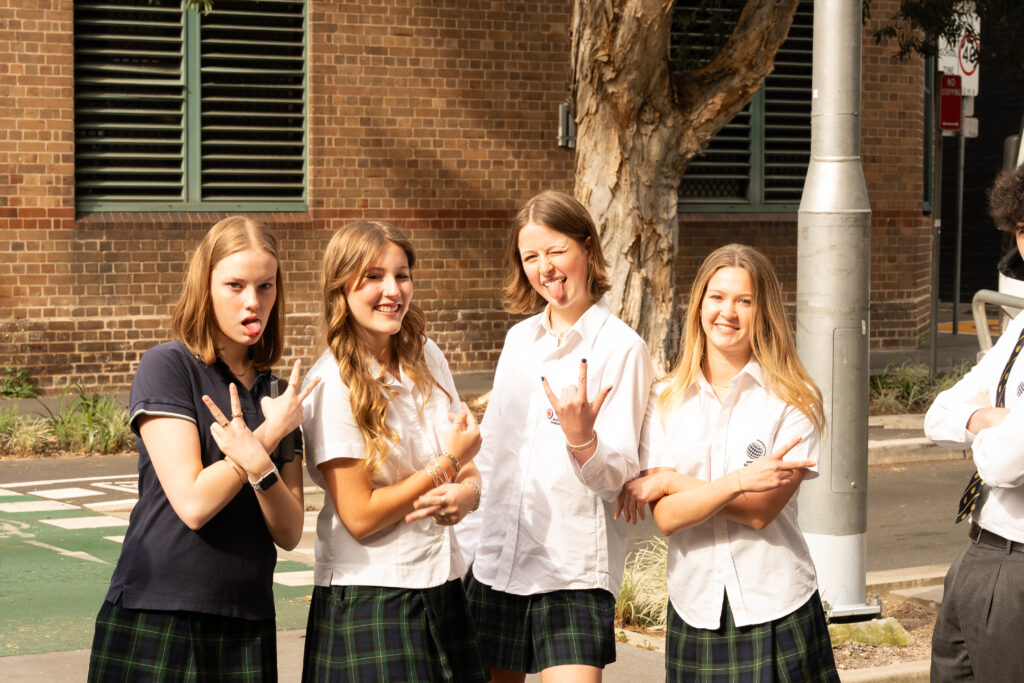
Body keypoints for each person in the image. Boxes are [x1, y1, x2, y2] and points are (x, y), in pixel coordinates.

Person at [87, 216, 317, 682]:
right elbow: (193, 504)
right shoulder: (168, 366)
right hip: (160, 609)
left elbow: (291, 530)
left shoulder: (275, 393)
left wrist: (262, 461)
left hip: (246, 616)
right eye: (235, 285)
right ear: (205, 287)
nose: (253, 301)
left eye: (266, 286)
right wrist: (267, 437)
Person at [617, 243, 839, 682]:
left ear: (764, 311)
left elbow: (759, 512)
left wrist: (672, 481)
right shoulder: (664, 399)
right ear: (700, 304)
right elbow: (668, 518)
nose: (728, 312)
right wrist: (740, 481)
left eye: (745, 301)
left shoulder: (796, 398)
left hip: (777, 605)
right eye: (717, 297)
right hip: (695, 607)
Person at [458, 190, 653, 683]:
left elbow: (618, 480)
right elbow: (491, 455)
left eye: (556, 250)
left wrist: (582, 440)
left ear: (587, 247)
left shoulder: (623, 348)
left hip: (573, 571)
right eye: (530, 257)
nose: (544, 267)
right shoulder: (518, 341)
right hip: (498, 563)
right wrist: (466, 547)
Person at [299, 220, 487, 683]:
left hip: (443, 582)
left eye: (402, 275)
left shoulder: (426, 355)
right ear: (341, 287)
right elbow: (360, 515)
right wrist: (447, 466)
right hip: (372, 594)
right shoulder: (331, 383)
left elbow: (466, 461)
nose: (393, 290)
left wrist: (468, 494)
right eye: (374, 276)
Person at [925, 164, 1024, 682]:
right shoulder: (1022, 326)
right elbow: (938, 415)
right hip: (977, 549)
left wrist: (984, 433)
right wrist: (990, 417)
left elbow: (1006, 464)